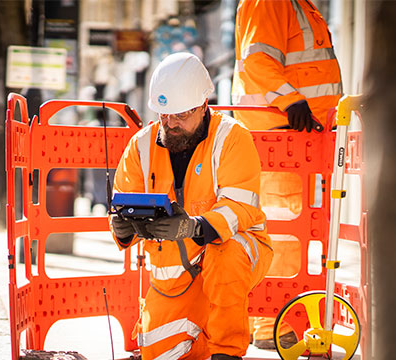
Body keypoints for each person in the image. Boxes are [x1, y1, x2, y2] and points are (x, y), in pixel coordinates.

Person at [109, 52, 273, 360]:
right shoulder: (140, 145)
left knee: (227, 252)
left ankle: (227, 353)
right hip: (174, 278)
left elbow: (240, 207)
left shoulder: (232, 138)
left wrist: (193, 226)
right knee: (160, 352)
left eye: (180, 116)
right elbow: (123, 200)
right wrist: (120, 228)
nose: (170, 124)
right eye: (163, 115)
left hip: (235, 253)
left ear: (203, 106)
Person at [231, 0, 343, 350]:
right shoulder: (270, 1)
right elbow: (257, 60)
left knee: (287, 234)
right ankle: (269, 326)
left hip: (297, 137)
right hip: (278, 133)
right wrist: (290, 100)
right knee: (280, 235)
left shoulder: (299, 5)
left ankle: (272, 321)